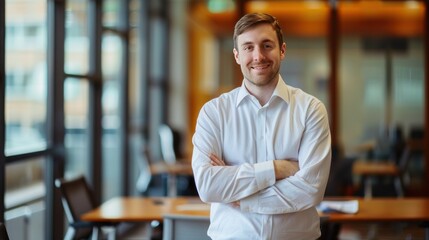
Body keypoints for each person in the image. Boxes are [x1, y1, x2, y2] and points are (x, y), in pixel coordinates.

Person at [191, 13, 331, 240]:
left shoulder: (311, 110)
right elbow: (208, 186)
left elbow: (310, 189)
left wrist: (242, 197)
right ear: (236, 55)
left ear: (282, 50)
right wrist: (277, 169)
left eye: (267, 45)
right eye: (248, 47)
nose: (258, 56)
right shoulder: (214, 113)